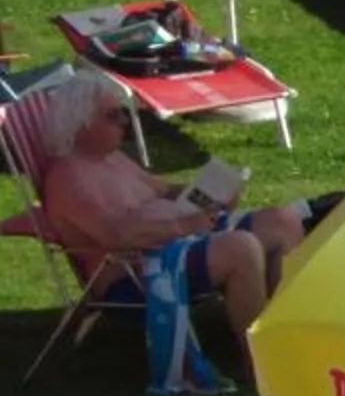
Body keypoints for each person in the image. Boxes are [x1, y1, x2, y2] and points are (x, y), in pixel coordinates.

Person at [30, 71, 311, 334]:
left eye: (123, 112)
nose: (125, 121)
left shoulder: (111, 159)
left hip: (179, 241)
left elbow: (165, 190)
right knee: (242, 247)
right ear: (81, 123)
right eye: (113, 115)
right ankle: (260, 359)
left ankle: (289, 330)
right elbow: (116, 236)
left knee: (281, 220)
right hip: (138, 274)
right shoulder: (69, 180)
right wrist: (187, 224)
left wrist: (212, 195)